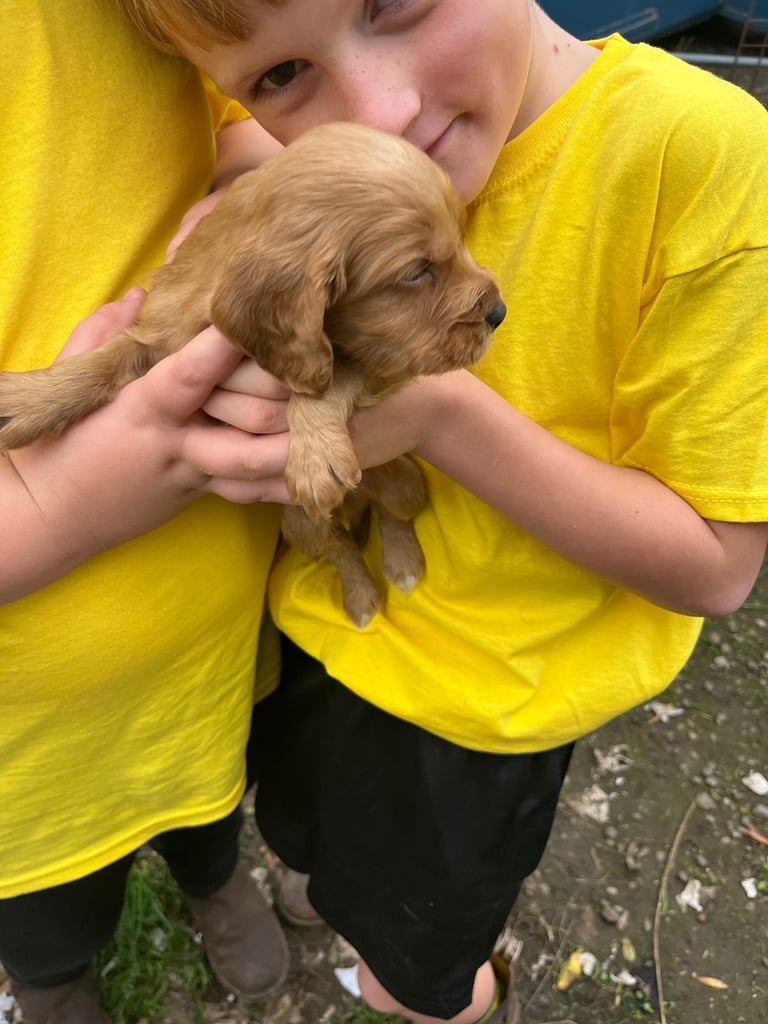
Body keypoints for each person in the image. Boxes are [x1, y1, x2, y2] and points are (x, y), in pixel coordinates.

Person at [113, 2, 768, 1023]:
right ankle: (336, 901)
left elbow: (718, 565)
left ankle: (450, 999)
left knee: (416, 964)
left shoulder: (708, 162)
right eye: (283, 75)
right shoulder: (321, 181)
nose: (377, 112)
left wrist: (437, 415)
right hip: (311, 632)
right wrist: (244, 201)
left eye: (396, 3)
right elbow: (222, 139)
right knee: (312, 844)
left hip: (485, 709)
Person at [0, 4, 313, 1023]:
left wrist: (240, 194)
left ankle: (212, 879)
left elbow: (228, 118)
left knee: (208, 796)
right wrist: (62, 498)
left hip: (205, 643)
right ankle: (53, 982)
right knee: (44, 901)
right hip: (25, 741)